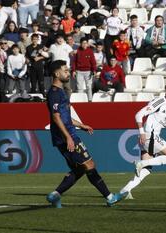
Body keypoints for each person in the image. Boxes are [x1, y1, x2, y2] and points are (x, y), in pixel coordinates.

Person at [45, 60, 119, 208]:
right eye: (65, 71)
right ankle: (110, 197)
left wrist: (81, 125)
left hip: (69, 134)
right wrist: (68, 138)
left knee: (80, 168)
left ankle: (55, 195)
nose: (68, 73)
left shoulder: (61, 91)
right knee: (89, 164)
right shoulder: (53, 93)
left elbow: (65, 116)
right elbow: (56, 117)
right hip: (65, 137)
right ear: (56, 74)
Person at [115, 81, 166, 200]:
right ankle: (141, 163)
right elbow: (138, 114)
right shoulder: (160, 101)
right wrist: (142, 133)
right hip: (149, 136)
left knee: (145, 171)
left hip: (149, 138)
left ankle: (121, 193)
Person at [72, 37, 96, 101]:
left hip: (88, 71)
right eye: (83, 43)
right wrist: (74, 70)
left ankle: (90, 99)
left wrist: (94, 70)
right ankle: (80, 99)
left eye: (86, 43)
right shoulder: (77, 51)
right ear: (80, 44)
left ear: (87, 44)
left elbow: (93, 61)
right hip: (79, 71)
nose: (84, 45)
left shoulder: (90, 51)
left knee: (89, 86)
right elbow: (74, 61)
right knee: (79, 86)